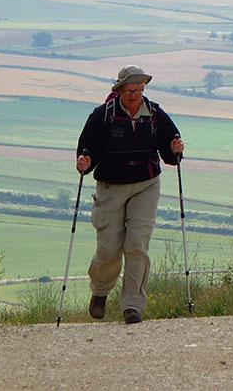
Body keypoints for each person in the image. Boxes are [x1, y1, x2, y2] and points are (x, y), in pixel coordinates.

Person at [76, 65, 184, 324]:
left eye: (139, 89)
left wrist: (175, 149)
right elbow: (88, 149)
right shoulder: (103, 115)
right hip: (111, 187)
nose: (134, 94)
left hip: (146, 185)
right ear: (120, 90)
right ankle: (100, 292)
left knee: (137, 246)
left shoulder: (155, 114)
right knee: (109, 250)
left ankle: (132, 306)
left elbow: (171, 152)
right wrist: (84, 161)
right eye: (129, 89)